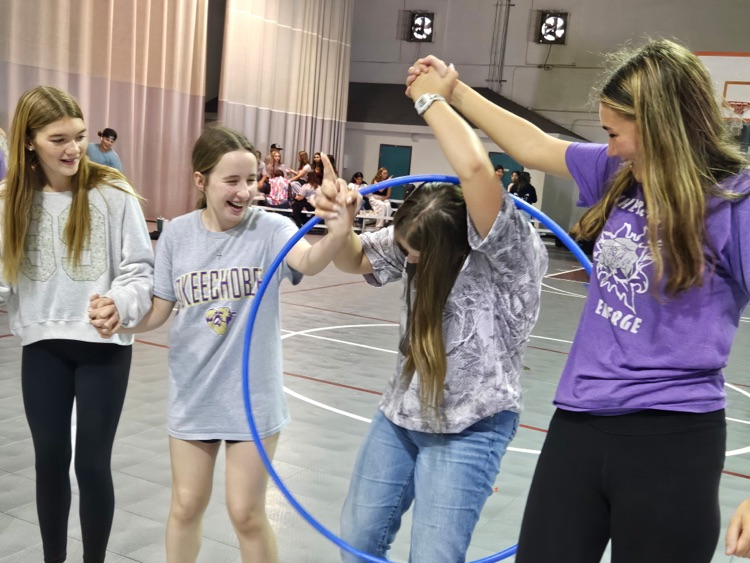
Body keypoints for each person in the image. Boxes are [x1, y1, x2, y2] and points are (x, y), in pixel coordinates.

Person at [407, 39, 750, 562]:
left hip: (673, 438)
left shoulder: (734, 203)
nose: (608, 148)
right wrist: (454, 91)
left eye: (615, 133)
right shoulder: (622, 174)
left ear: (663, 127)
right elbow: (532, 145)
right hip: (580, 425)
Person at [90, 125, 360, 563]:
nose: (245, 191)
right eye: (232, 181)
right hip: (194, 393)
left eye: (251, 180)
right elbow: (160, 308)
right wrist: (124, 319)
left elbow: (308, 263)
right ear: (201, 181)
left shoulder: (271, 228)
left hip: (252, 397)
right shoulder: (177, 234)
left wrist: (337, 232)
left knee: (246, 512)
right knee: (185, 504)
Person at [314, 63, 548, 563]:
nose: (406, 260)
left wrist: (432, 99)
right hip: (401, 415)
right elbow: (355, 258)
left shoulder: (504, 249)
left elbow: (478, 170)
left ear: (446, 248)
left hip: (471, 424)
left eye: (414, 256)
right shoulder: (422, 232)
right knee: (356, 542)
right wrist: (339, 225)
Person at [0, 85, 153, 563]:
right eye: (58, 139)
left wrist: (121, 302)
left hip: (103, 349)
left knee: (90, 464)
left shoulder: (111, 191)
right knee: (49, 461)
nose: (73, 149)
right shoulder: (9, 200)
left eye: (80, 137)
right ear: (29, 141)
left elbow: (139, 270)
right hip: (43, 346)